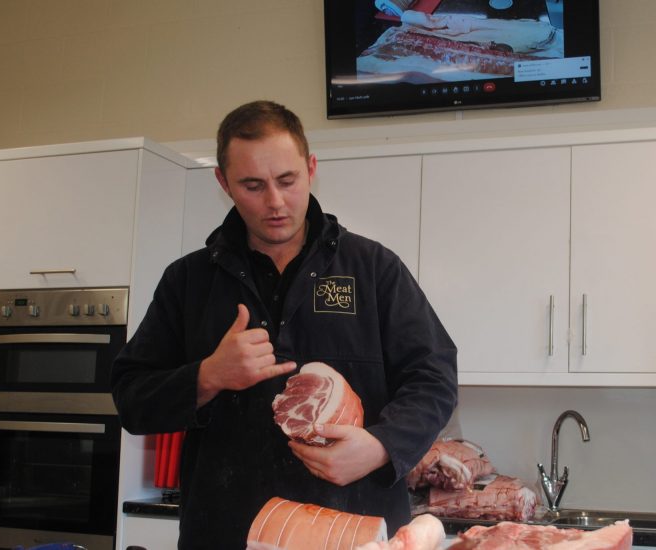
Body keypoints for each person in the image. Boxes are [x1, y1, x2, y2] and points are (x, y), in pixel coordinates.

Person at [111, 100, 458, 549]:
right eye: (252, 186)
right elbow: (131, 398)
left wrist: (381, 445)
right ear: (223, 182)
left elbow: (435, 378)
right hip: (226, 533)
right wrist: (207, 376)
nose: (275, 202)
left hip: (354, 532)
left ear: (311, 168)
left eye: (287, 181)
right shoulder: (188, 281)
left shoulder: (373, 268)